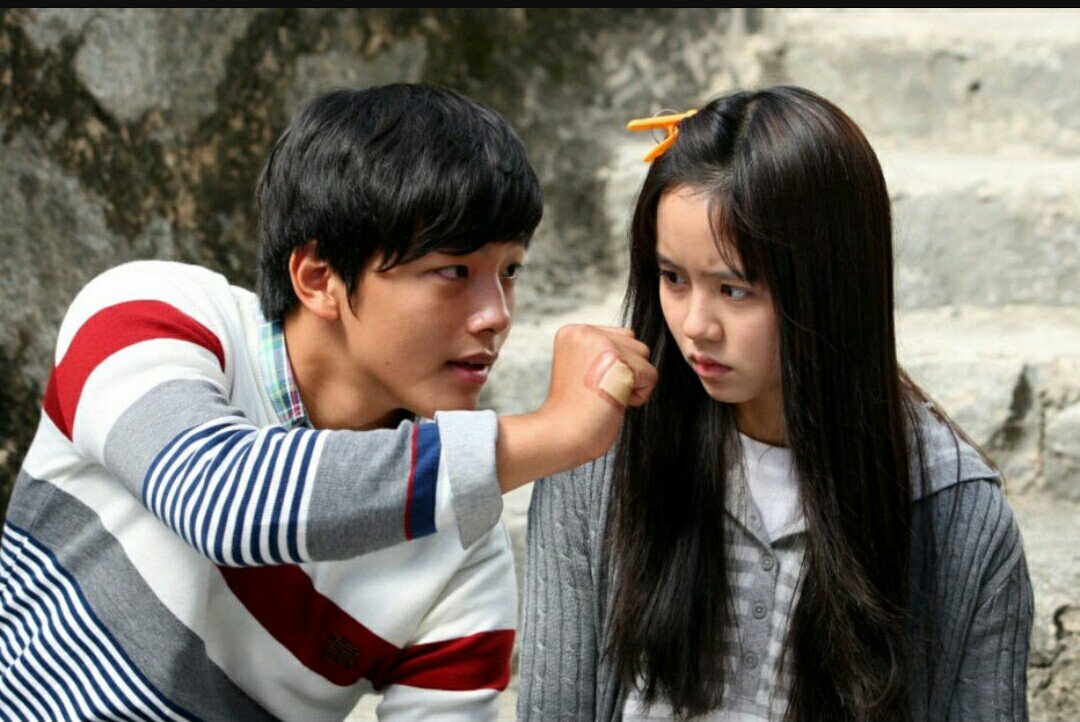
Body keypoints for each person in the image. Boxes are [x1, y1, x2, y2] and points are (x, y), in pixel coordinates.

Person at [0, 83, 656, 721]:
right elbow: (223, 503)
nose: (497, 315)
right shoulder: (148, 314)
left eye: (510, 271)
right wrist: (549, 434)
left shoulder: (463, 543)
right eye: (454, 271)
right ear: (318, 279)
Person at [518, 86, 1033, 721]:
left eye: (734, 290)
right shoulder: (598, 458)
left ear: (829, 288)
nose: (696, 326)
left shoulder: (956, 514)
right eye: (673, 278)